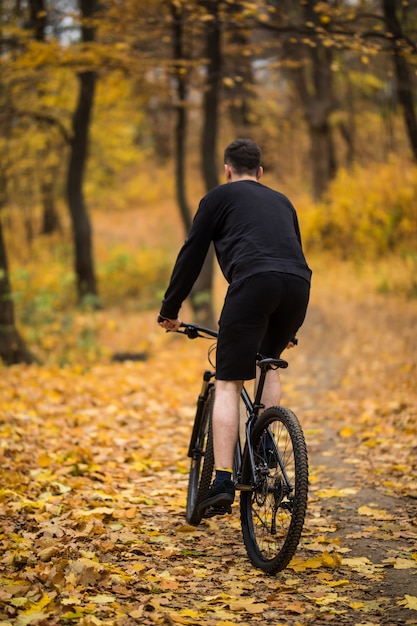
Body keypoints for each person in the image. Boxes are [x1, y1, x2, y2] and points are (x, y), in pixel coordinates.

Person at [158, 138, 311, 518]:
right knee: (268, 362)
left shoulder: (217, 198)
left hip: (253, 283)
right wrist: (288, 327)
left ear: (228, 170)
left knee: (228, 382)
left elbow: (191, 255)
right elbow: (289, 252)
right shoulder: (283, 201)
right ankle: (263, 446)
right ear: (260, 172)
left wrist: (170, 309)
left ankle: (223, 480)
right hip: (298, 285)